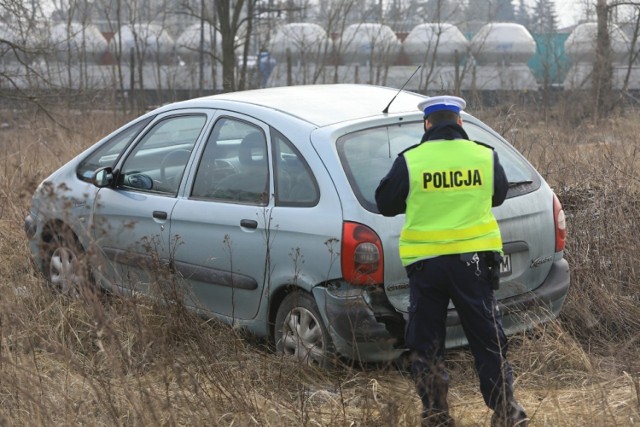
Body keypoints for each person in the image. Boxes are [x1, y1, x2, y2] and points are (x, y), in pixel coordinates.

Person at [375, 96, 527, 427]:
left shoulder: (411, 160)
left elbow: (385, 203)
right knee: (487, 339)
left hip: (426, 265)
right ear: (459, 123)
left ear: (427, 125)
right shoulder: (484, 156)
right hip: (474, 265)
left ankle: (437, 416)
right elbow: (498, 195)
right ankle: (508, 413)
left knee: (426, 343)